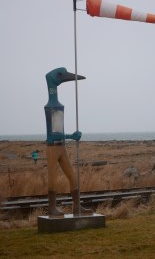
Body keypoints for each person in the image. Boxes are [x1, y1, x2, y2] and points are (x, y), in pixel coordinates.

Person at [44, 67, 93, 216]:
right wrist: (70, 136)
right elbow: (52, 134)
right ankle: (52, 208)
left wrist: (69, 136)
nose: (64, 77)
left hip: (62, 147)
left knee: (72, 176)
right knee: (52, 178)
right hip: (53, 148)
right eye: (61, 75)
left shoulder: (57, 106)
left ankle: (77, 207)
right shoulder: (50, 107)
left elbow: (59, 130)